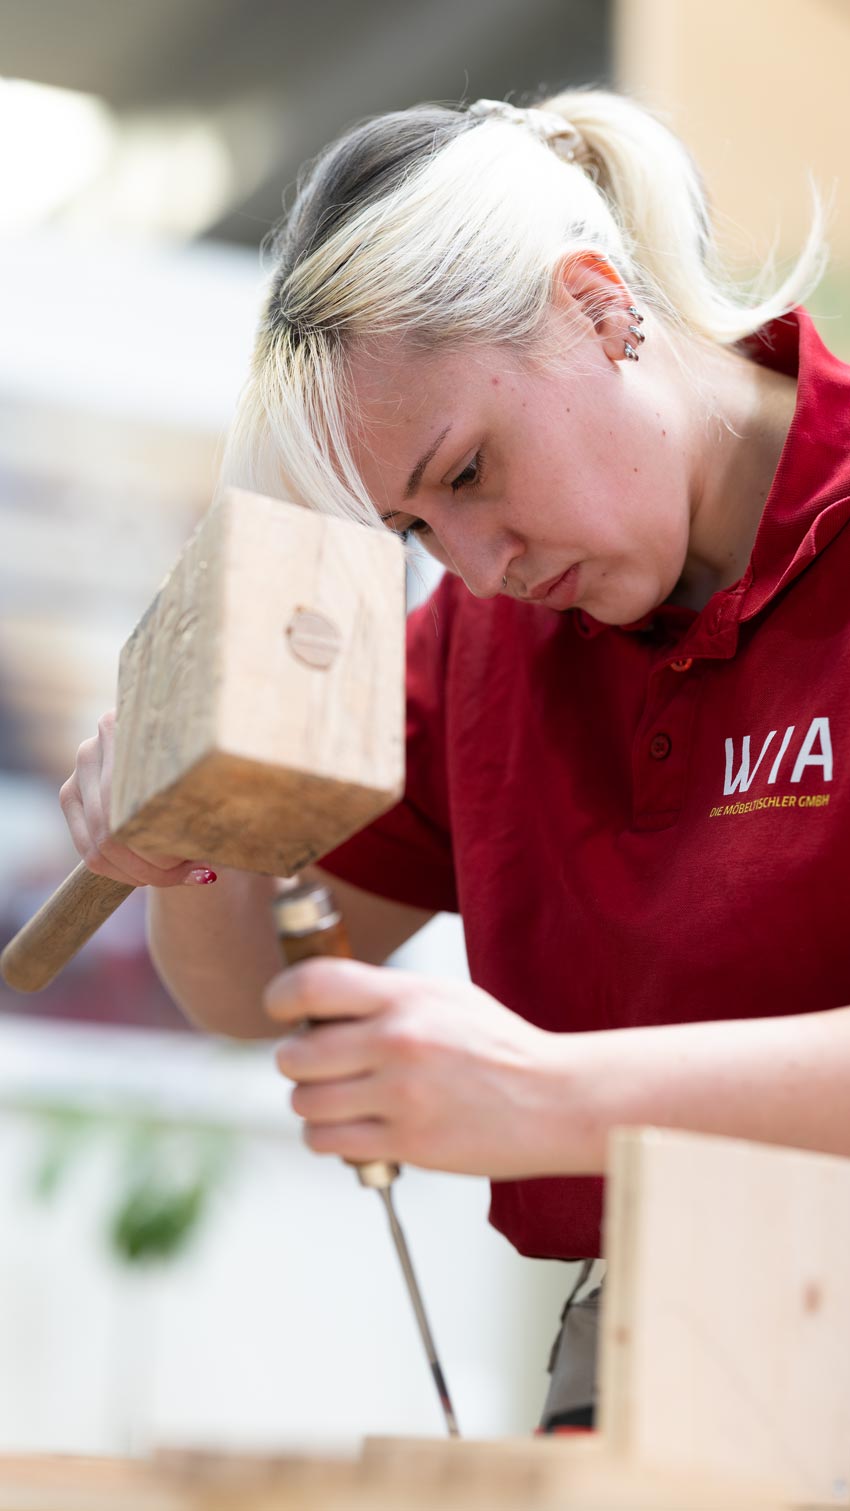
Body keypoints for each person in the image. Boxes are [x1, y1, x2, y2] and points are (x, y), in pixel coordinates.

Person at [60, 89, 850, 1430]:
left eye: (470, 471)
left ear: (597, 308)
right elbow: (255, 990)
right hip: (659, 1358)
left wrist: (555, 1098)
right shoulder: (484, 641)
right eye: (416, 528)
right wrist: (184, 833)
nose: (481, 566)